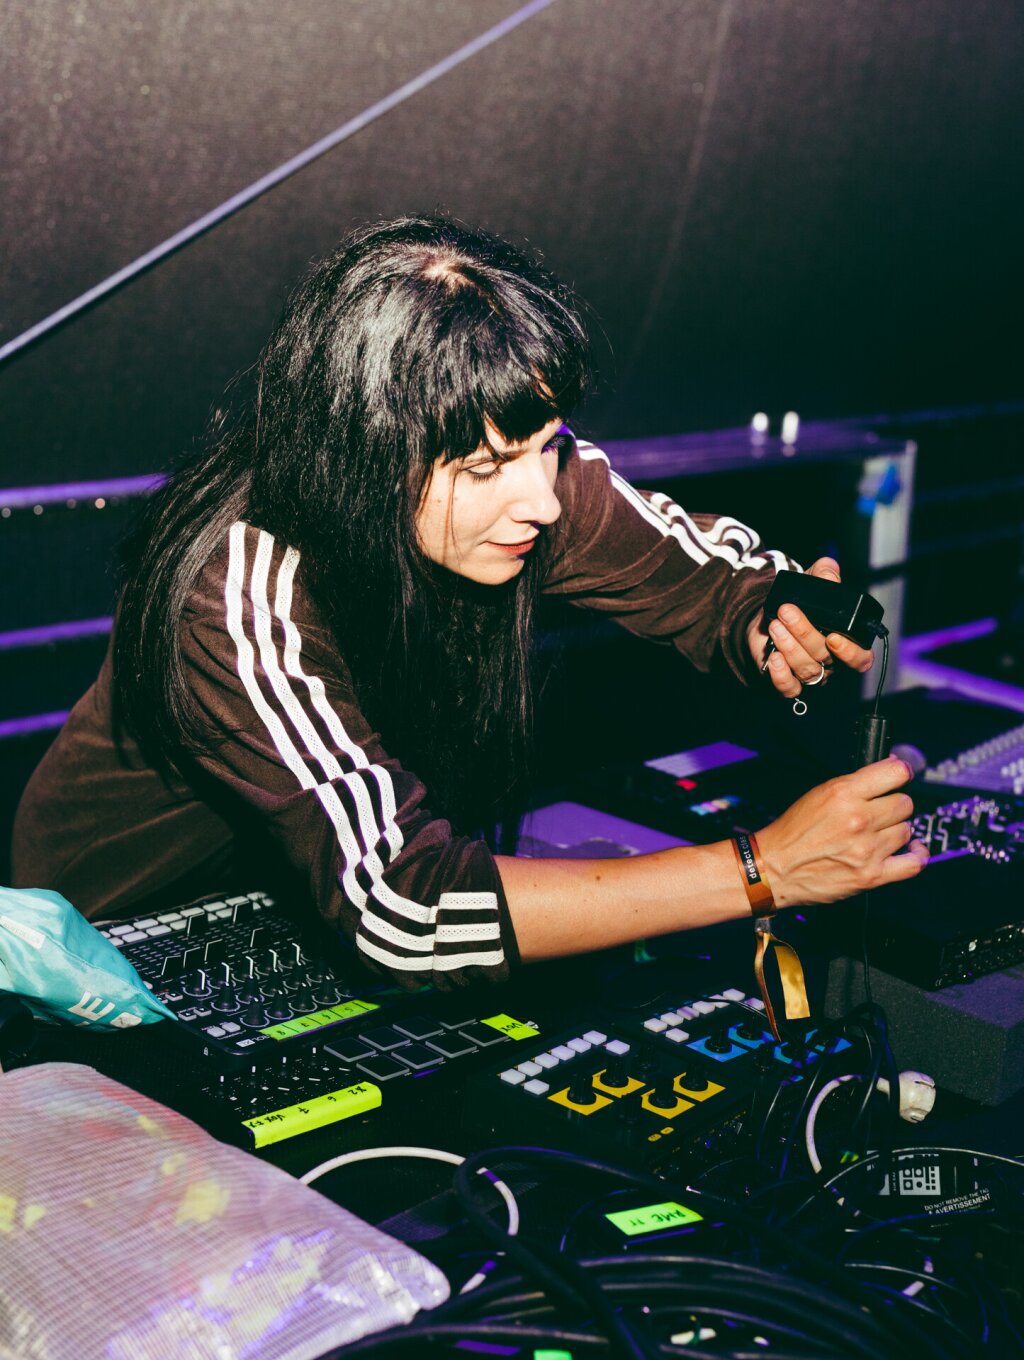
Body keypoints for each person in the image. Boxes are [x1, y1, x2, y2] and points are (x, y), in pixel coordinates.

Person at [11, 215, 926, 990]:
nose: (537, 498)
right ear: (362, 462)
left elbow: (715, 579)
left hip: (309, 915)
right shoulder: (237, 589)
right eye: (484, 467)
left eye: (545, 446)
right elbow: (405, 911)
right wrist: (763, 871)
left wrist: (777, 614)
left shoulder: (528, 481)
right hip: (118, 952)